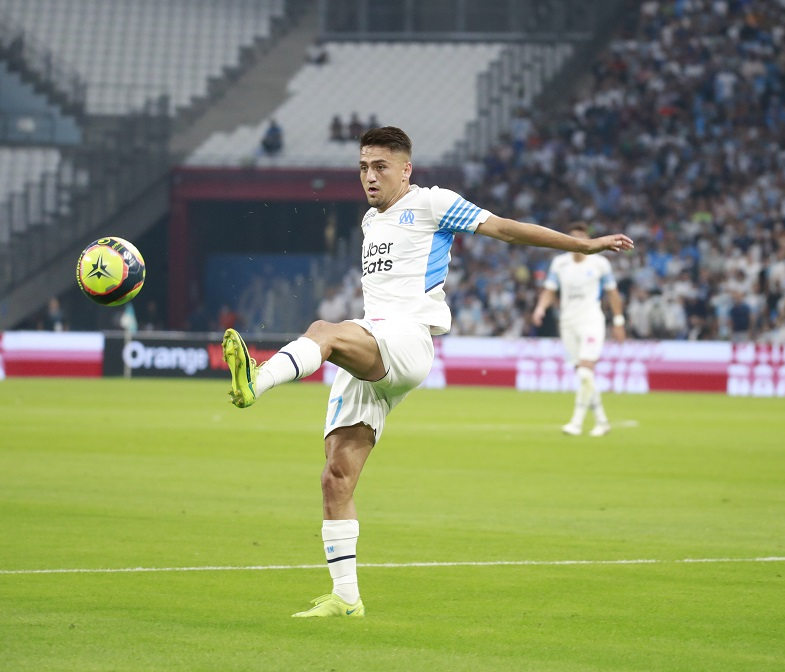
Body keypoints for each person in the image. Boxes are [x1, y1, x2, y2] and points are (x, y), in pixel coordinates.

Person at [221, 127, 633, 618]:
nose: (369, 177)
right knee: (336, 478)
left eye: (380, 167)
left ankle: (256, 380)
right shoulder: (370, 223)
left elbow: (503, 227)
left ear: (405, 169)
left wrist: (582, 247)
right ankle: (346, 598)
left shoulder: (435, 203)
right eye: (362, 167)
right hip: (375, 345)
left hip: (410, 339)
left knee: (322, 331)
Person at [531, 221, 626, 437]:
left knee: (584, 372)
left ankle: (576, 422)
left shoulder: (600, 263)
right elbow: (549, 289)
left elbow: (612, 293)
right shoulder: (559, 263)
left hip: (591, 321)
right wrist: (540, 308)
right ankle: (602, 421)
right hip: (567, 323)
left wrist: (619, 321)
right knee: (584, 376)